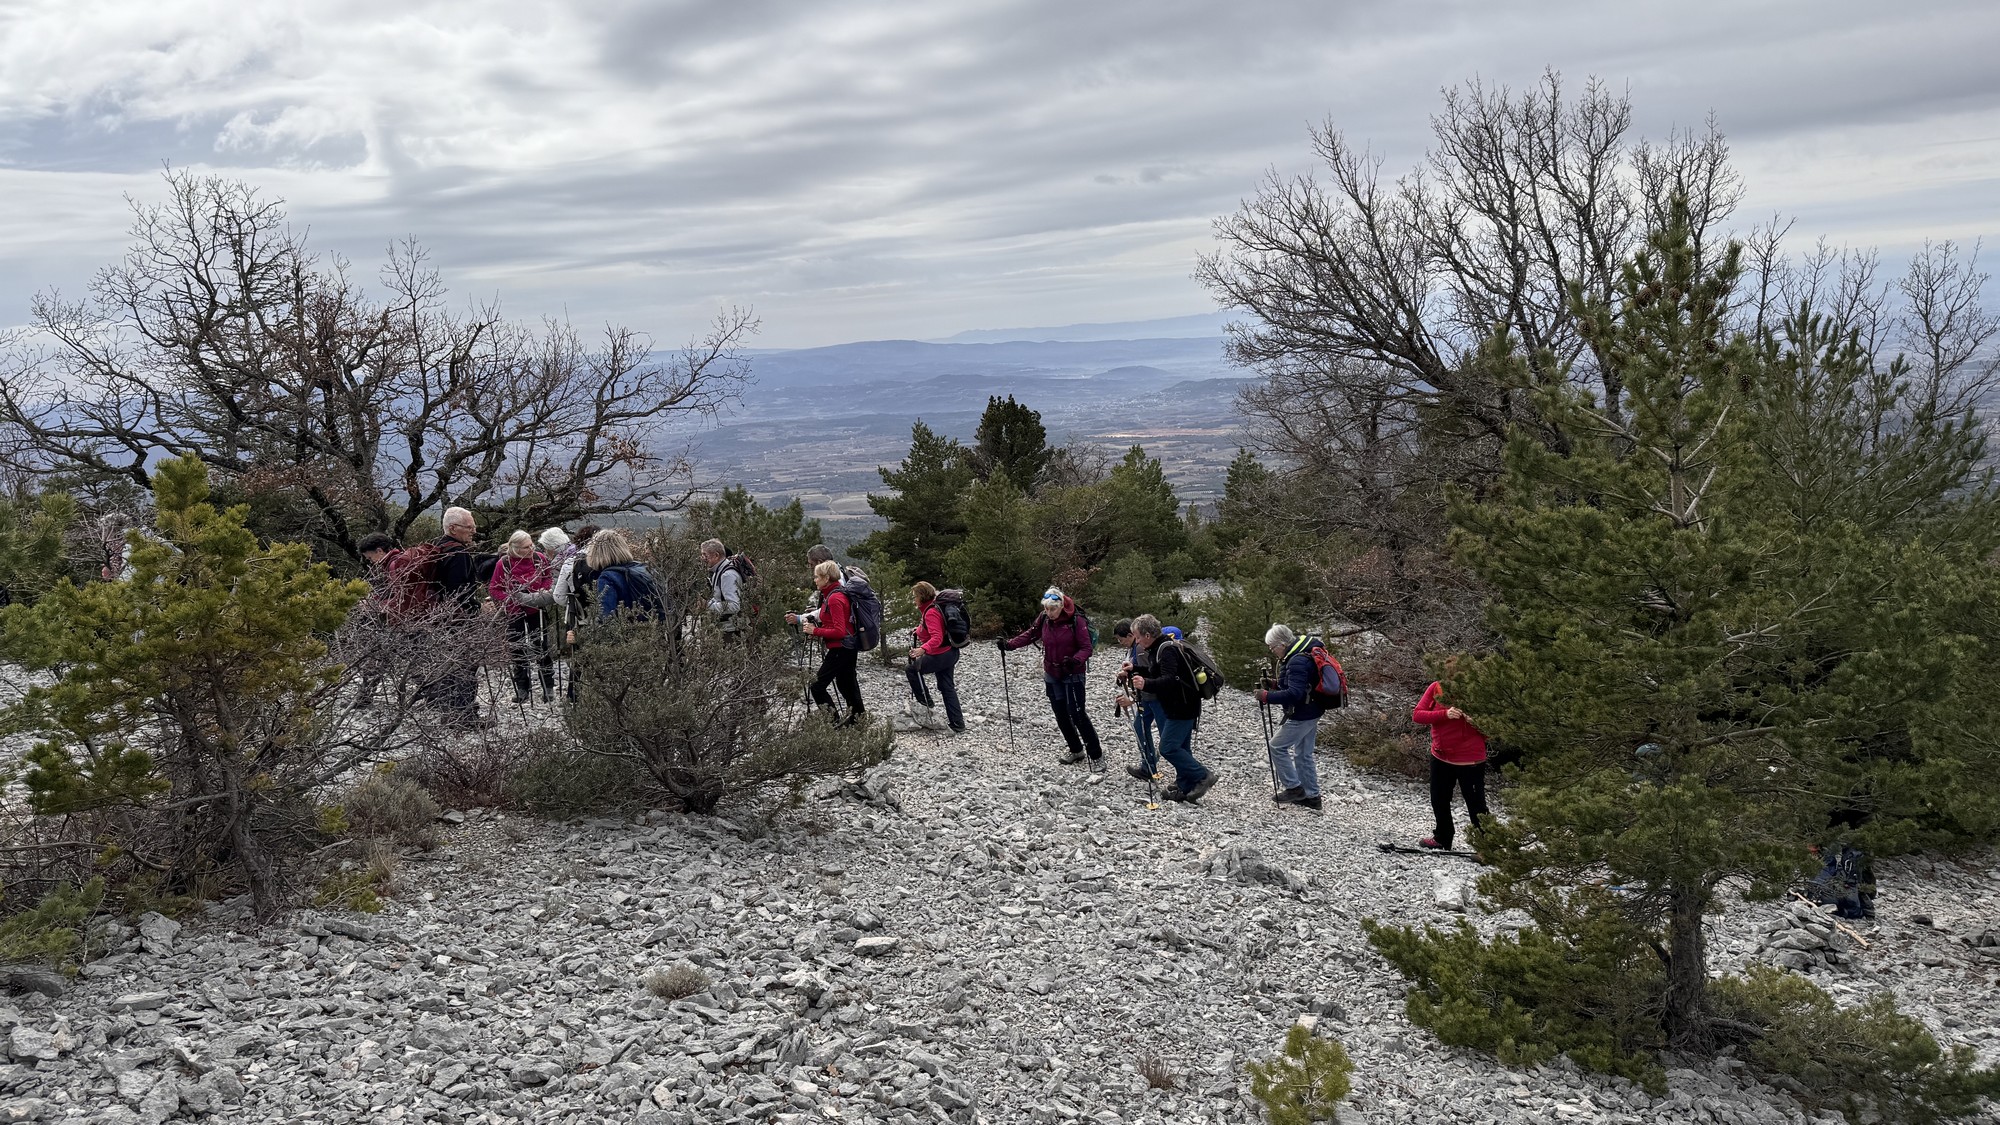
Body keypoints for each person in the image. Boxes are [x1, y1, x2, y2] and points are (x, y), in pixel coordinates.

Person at [998, 587, 1102, 768]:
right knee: (1060, 714)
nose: (1049, 612)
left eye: (1052, 609)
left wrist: (1076, 660)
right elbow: (1032, 634)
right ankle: (1076, 750)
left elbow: (1086, 648)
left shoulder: (1076, 620)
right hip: (1052, 672)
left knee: (1077, 713)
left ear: (1061, 606)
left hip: (1073, 672)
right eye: (1046, 608)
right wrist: (1009, 645)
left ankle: (1096, 755)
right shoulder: (1044, 618)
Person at [1128, 615, 1216, 802]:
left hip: (1182, 706)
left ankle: (1202, 775)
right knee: (1182, 747)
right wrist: (1134, 669)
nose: (1137, 641)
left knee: (1167, 748)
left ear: (1148, 635)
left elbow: (1169, 680)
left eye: (1138, 637)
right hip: (1183, 704)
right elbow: (1156, 672)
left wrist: (1145, 684)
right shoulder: (1159, 648)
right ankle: (1184, 788)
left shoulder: (1166, 650)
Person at [1412, 662, 1490, 849]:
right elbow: (1417, 715)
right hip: (1441, 756)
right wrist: (1444, 714)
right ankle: (1442, 838)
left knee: (1476, 804)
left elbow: (1494, 729)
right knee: (1439, 799)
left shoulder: (1480, 692)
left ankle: (1487, 846)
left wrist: (1476, 721)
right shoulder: (1436, 688)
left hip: (1470, 760)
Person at [421, 506, 484, 723]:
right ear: (453, 528)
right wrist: (476, 609)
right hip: (458, 619)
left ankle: (446, 709)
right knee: (465, 665)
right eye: (469, 527)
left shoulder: (437, 547)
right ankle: (463, 715)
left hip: (437, 617)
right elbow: (460, 591)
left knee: (447, 664)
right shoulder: (458, 554)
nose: (473, 531)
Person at [1255, 624, 1325, 811]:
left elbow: (1295, 694)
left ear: (1283, 644)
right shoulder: (1301, 654)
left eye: (1272, 647)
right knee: (1303, 754)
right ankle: (1312, 797)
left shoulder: (1296, 661)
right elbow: (1299, 685)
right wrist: (1274, 684)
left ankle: (1294, 788)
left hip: (1302, 713)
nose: (1272, 650)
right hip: (1313, 710)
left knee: (1277, 746)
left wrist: (1266, 696)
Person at [788, 560, 864, 724]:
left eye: (817, 577)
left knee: (817, 686)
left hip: (841, 649)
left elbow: (839, 631)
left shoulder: (834, 598)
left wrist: (815, 631)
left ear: (826, 578)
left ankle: (833, 722)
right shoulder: (834, 594)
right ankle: (857, 721)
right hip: (847, 648)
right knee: (846, 684)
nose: (814, 580)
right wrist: (816, 629)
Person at [490, 530, 556, 704]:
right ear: (516, 548)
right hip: (514, 612)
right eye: (527, 547)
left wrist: (541, 592)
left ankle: (548, 686)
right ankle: (522, 688)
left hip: (536, 609)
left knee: (541, 646)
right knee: (517, 649)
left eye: (532, 544)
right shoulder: (504, 564)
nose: (532, 548)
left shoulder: (539, 559)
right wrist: (511, 598)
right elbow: (494, 589)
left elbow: (548, 577)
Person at [905, 581, 964, 734]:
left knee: (911, 669)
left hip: (940, 654)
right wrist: (917, 630)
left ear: (922, 596)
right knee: (946, 686)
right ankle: (957, 723)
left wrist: (922, 649)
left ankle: (925, 703)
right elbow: (930, 627)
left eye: (915, 596)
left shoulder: (930, 612)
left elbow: (937, 637)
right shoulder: (933, 607)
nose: (914, 599)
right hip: (950, 652)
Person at [1112, 619, 1163, 781]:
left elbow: (1148, 675)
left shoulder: (1139, 650)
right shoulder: (1135, 648)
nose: (1121, 643)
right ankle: (1148, 765)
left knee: (1159, 734)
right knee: (1141, 727)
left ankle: (1152, 765)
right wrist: (1127, 674)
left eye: (1121, 639)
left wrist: (1132, 699)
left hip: (1153, 698)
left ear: (1130, 635)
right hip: (1148, 697)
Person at [701, 538, 746, 635]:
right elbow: (719, 598)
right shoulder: (718, 571)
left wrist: (707, 605)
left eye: (705, 555)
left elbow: (734, 605)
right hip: (726, 627)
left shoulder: (727, 575)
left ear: (716, 555)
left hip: (731, 630)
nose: (702, 558)